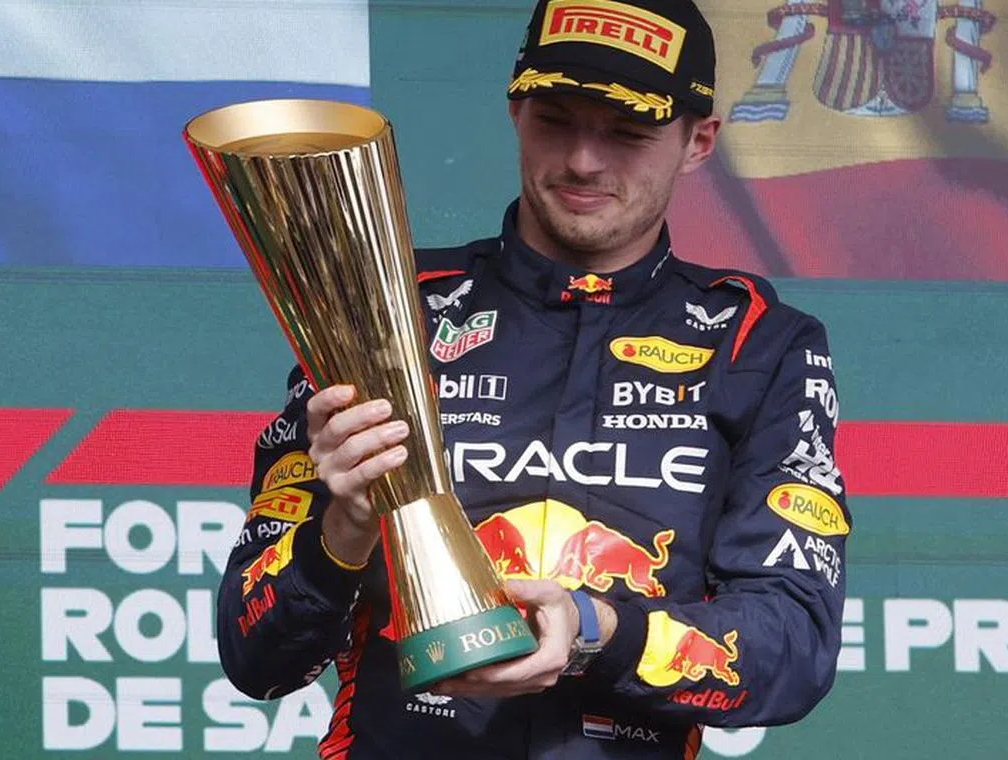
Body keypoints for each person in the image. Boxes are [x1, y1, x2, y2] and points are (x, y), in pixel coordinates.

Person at [217, 0, 851, 757]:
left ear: (697, 140)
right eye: (556, 120)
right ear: (516, 111)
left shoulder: (759, 344)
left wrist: (597, 631)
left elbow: (795, 649)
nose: (584, 161)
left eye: (627, 133)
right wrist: (343, 529)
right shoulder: (383, 316)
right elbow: (255, 657)